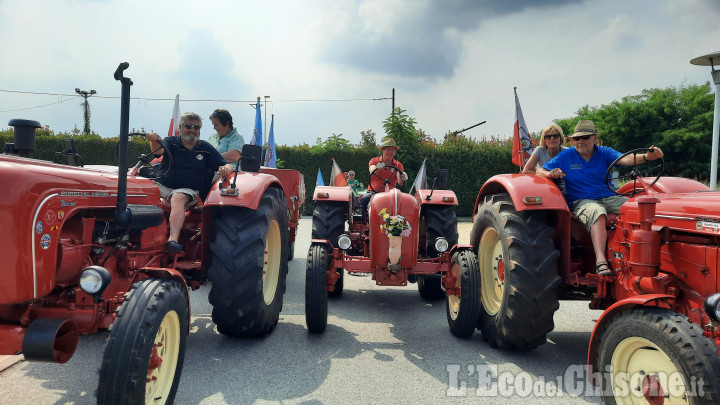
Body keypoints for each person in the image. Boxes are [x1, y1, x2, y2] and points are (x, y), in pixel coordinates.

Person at [537, 120, 664, 276]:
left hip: (608, 196)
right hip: (582, 201)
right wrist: (550, 173)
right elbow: (540, 171)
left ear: (595, 137)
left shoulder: (605, 152)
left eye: (585, 137)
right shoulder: (566, 156)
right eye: (576, 139)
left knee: (637, 208)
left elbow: (626, 159)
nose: (580, 141)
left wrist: (647, 156)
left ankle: (651, 255)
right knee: (598, 212)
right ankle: (601, 262)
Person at [147, 112, 234, 253]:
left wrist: (225, 168)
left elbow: (226, 165)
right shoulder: (171, 141)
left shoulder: (205, 148)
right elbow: (158, 150)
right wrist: (153, 140)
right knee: (139, 191)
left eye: (196, 127)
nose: (193, 130)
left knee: (178, 197)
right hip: (162, 185)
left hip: (187, 190)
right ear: (180, 128)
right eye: (188, 126)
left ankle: (172, 240)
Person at [360, 138, 408, 224]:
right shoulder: (374, 161)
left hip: (391, 195)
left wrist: (403, 177)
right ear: (382, 150)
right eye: (388, 149)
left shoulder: (398, 165)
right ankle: (366, 223)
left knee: (405, 202)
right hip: (374, 192)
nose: (390, 152)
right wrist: (378, 167)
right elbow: (372, 171)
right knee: (365, 199)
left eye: (392, 149)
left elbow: (400, 183)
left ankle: (400, 225)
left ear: (395, 152)